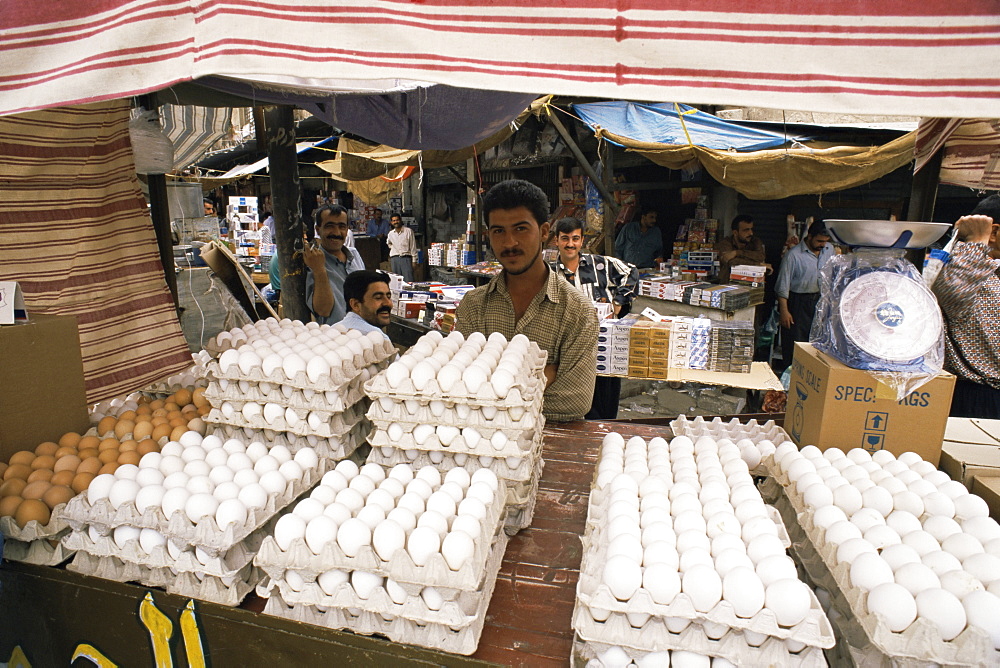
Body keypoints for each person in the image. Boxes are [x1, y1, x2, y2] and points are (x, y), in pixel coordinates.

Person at [456, 180, 598, 422]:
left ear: (544, 232)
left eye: (521, 229)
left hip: (551, 446)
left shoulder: (578, 312)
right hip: (481, 448)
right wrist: (543, 375)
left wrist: (491, 392)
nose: (509, 242)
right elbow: (458, 392)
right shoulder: (473, 306)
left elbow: (573, 402)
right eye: (498, 231)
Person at [551, 217, 639, 419]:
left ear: (582, 241)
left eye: (575, 238)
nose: (570, 244)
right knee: (577, 398)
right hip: (572, 346)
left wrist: (618, 302)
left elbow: (631, 272)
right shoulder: (549, 273)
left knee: (605, 397)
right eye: (565, 239)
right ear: (556, 241)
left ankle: (605, 434)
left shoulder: (601, 265)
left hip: (605, 343)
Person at [932, 195, 1000, 418]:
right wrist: (977, 239)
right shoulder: (969, 272)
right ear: (995, 233)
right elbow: (954, 292)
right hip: (979, 399)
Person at [774, 220, 835, 372]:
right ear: (809, 236)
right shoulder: (793, 256)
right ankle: (791, 380)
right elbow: (782, 286)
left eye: (825, 241)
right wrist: (784, 311)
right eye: (819, 241)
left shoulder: (829, 249)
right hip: (798, 303)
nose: (822, 245)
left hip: (820, 301)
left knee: (815, 343)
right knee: (795, 344)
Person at [304, 204, 365, 325]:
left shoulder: (354, 255)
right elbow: (323, 311)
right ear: (318, 230)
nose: (336, 232)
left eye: (341, 226)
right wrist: (320, 270)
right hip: (335, 337)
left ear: (347, 229)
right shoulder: (313, 261)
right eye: (329, 226)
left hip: (363, 332)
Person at [337, 270, 393, 340]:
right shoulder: (377, 338)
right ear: (355, 305)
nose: (388, 303)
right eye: (378, 298)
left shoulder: (333, 329)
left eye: (388, 297)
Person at [716, 214, 767, 282]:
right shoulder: (726, 243)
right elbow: (731, 262)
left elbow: (760, 256)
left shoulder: (755, 241)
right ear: (735, 232)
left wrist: (737, 253)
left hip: (752, 282)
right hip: (729, 282)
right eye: (746, 230)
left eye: (751, 229)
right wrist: (758, 264)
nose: (751, 233)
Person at [387, 213, 417, 282]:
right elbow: (388, 243)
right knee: (397, 281)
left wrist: (414, 260)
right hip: (395, 259)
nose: (395, 222)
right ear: (391, 222)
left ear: (400, 220)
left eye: (397, 220)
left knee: (408, 281)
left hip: (406, 258)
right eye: (394, 221)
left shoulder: (408, 231)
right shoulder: (391, 234)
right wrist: (394, 248)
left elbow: (413, 246)